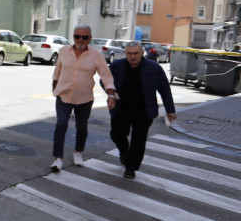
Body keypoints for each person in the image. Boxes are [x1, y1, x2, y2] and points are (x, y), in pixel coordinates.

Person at [50, 25, 116, 172]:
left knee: (81, 126)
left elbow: (106, 76)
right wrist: (54, 86)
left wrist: (111, 94)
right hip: (64, 95)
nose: (80, 39)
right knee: (61, 124)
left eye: (84, 37)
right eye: (77, 36)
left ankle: (78, 152)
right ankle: (58, 158)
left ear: (90, 38)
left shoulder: (96, 55)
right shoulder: (63, 51)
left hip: (84, 98)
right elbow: (57, 71)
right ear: (73, 36)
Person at [108, 41, 177, 179]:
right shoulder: (116, 66)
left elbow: (164, 89)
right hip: (122, 108)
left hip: (144, 110)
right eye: (129, 53)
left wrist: (170, 110)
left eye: (136, 53)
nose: (132, 57)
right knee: (116, 134)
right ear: (125, 53)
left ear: (142, 53)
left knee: (138, 141)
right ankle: (124, 152)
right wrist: (111, 93)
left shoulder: (154, 68)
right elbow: (105, 81)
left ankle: (130, 168)